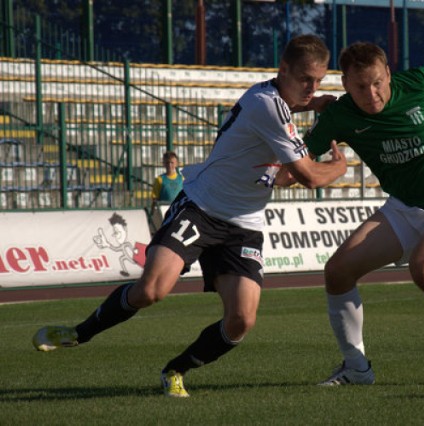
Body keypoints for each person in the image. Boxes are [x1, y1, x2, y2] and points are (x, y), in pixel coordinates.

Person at [31, 34, 347, 398]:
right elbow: (307, 176)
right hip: (201, 208)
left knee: (241, 321)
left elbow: (287, 160)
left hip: (244, 226)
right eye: (306, 78)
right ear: (284, 69)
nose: (312, 87)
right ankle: (78, 333)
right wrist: (338, 167)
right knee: (151, 290)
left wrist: (312, 105)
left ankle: (175, 370)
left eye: (319, 80)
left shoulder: (272, 100)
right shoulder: (268, 106)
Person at [303, 42, 424, 386]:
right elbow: (300, 158)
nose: (371, 93)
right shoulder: (340, 115)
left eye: (377, 82)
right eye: (359, 86)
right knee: (338, 272)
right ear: (345, 84)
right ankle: (356, 368)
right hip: (404, 207)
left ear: (388, 74)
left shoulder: (421, 83)